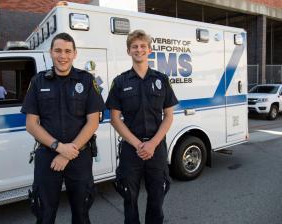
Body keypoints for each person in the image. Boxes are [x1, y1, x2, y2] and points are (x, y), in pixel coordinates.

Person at [21, 32, 105, 224]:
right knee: (44, 214)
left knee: (82, 214)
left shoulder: (86, 81)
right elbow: (31, 124)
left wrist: (68, 153)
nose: (63, 56)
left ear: (75, 54)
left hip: (79, 157)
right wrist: (60, 148)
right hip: (48, 156)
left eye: (68, 51)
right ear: (51, 53)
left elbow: (93, 122)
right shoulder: (38, 82)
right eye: (58, 50)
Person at [106, 30, 178, 224]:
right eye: (135, 46)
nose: (139, 50)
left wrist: (153, 143)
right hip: (131, 150)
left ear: (150, 50)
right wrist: (139, 145)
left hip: (157, 150)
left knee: (157, 198)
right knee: (129, 198)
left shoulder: (161, 80)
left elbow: (169, 116)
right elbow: (114, 118)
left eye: (143, 46)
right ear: (129, 51)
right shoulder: (120, 82)